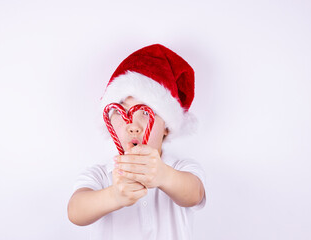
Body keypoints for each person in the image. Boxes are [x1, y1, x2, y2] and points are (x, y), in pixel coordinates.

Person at [67, 44, 206, 240]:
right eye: (121, 111)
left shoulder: (181, 168)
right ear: (108, 120)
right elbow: (75, 211)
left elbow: (194, 194)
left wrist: (164, 176)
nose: (133, 125)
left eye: (145, 112)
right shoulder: (100, 175)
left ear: (167, 126)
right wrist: (114, 196)